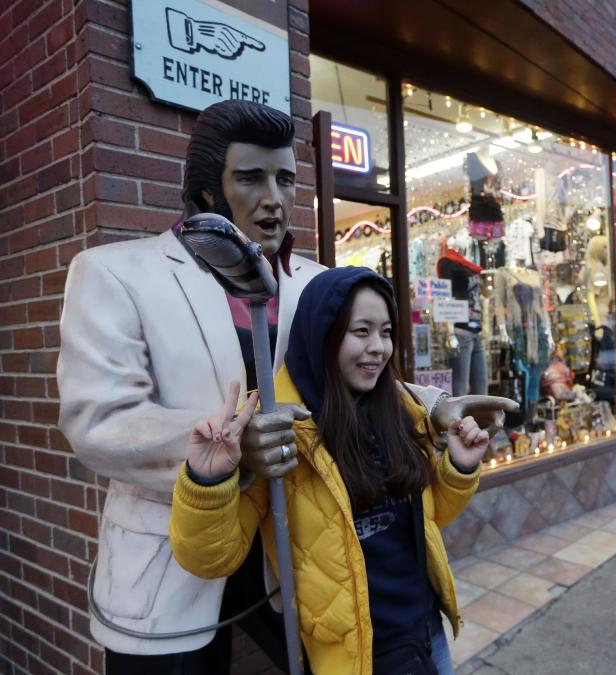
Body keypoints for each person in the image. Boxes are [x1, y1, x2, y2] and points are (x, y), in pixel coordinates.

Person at [57, 100, 517, 673]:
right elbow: (99, 419)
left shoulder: (319, 282)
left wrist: (436, 409)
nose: (273, 198)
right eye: (250, 178)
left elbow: (356, 377)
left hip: (295, 558)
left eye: (285, 179)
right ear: (206, 193)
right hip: (170, 568)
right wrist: (222, 452)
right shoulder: (115, 274)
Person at [170, 267, 488, 675]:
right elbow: (210, 559)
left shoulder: (400, 408)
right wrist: (207, 480)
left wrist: (459, 467)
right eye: (361, 331)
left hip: (426, 632)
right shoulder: (275, 428)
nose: (378, 348)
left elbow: (428, 521)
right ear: (323, 333)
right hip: (354, 656)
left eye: (387, 332)